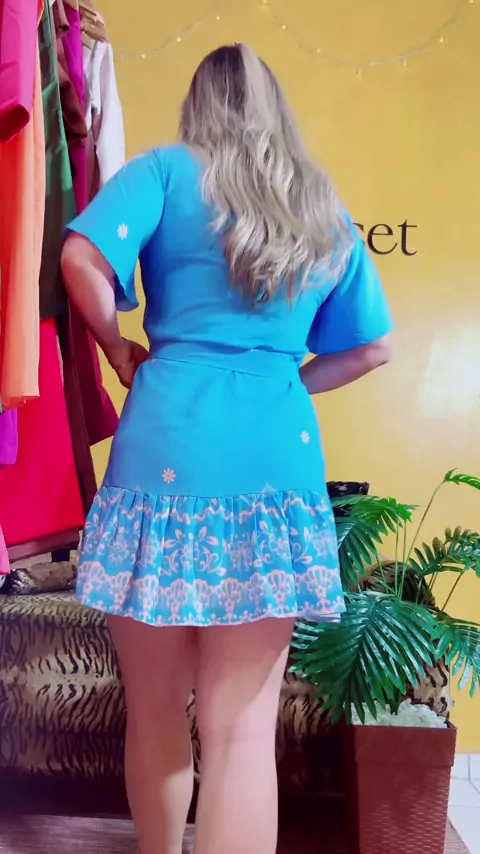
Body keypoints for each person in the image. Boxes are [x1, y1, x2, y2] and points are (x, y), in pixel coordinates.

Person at [61, 43, 392, 854]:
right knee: (242, 732)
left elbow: (80, 257)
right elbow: (373, 347)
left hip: (162, 452)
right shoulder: (316, 202)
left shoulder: (164, 172)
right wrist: (286, 382)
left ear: (198, 106)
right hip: (276, 462)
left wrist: (118, 349)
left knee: (154, 710)